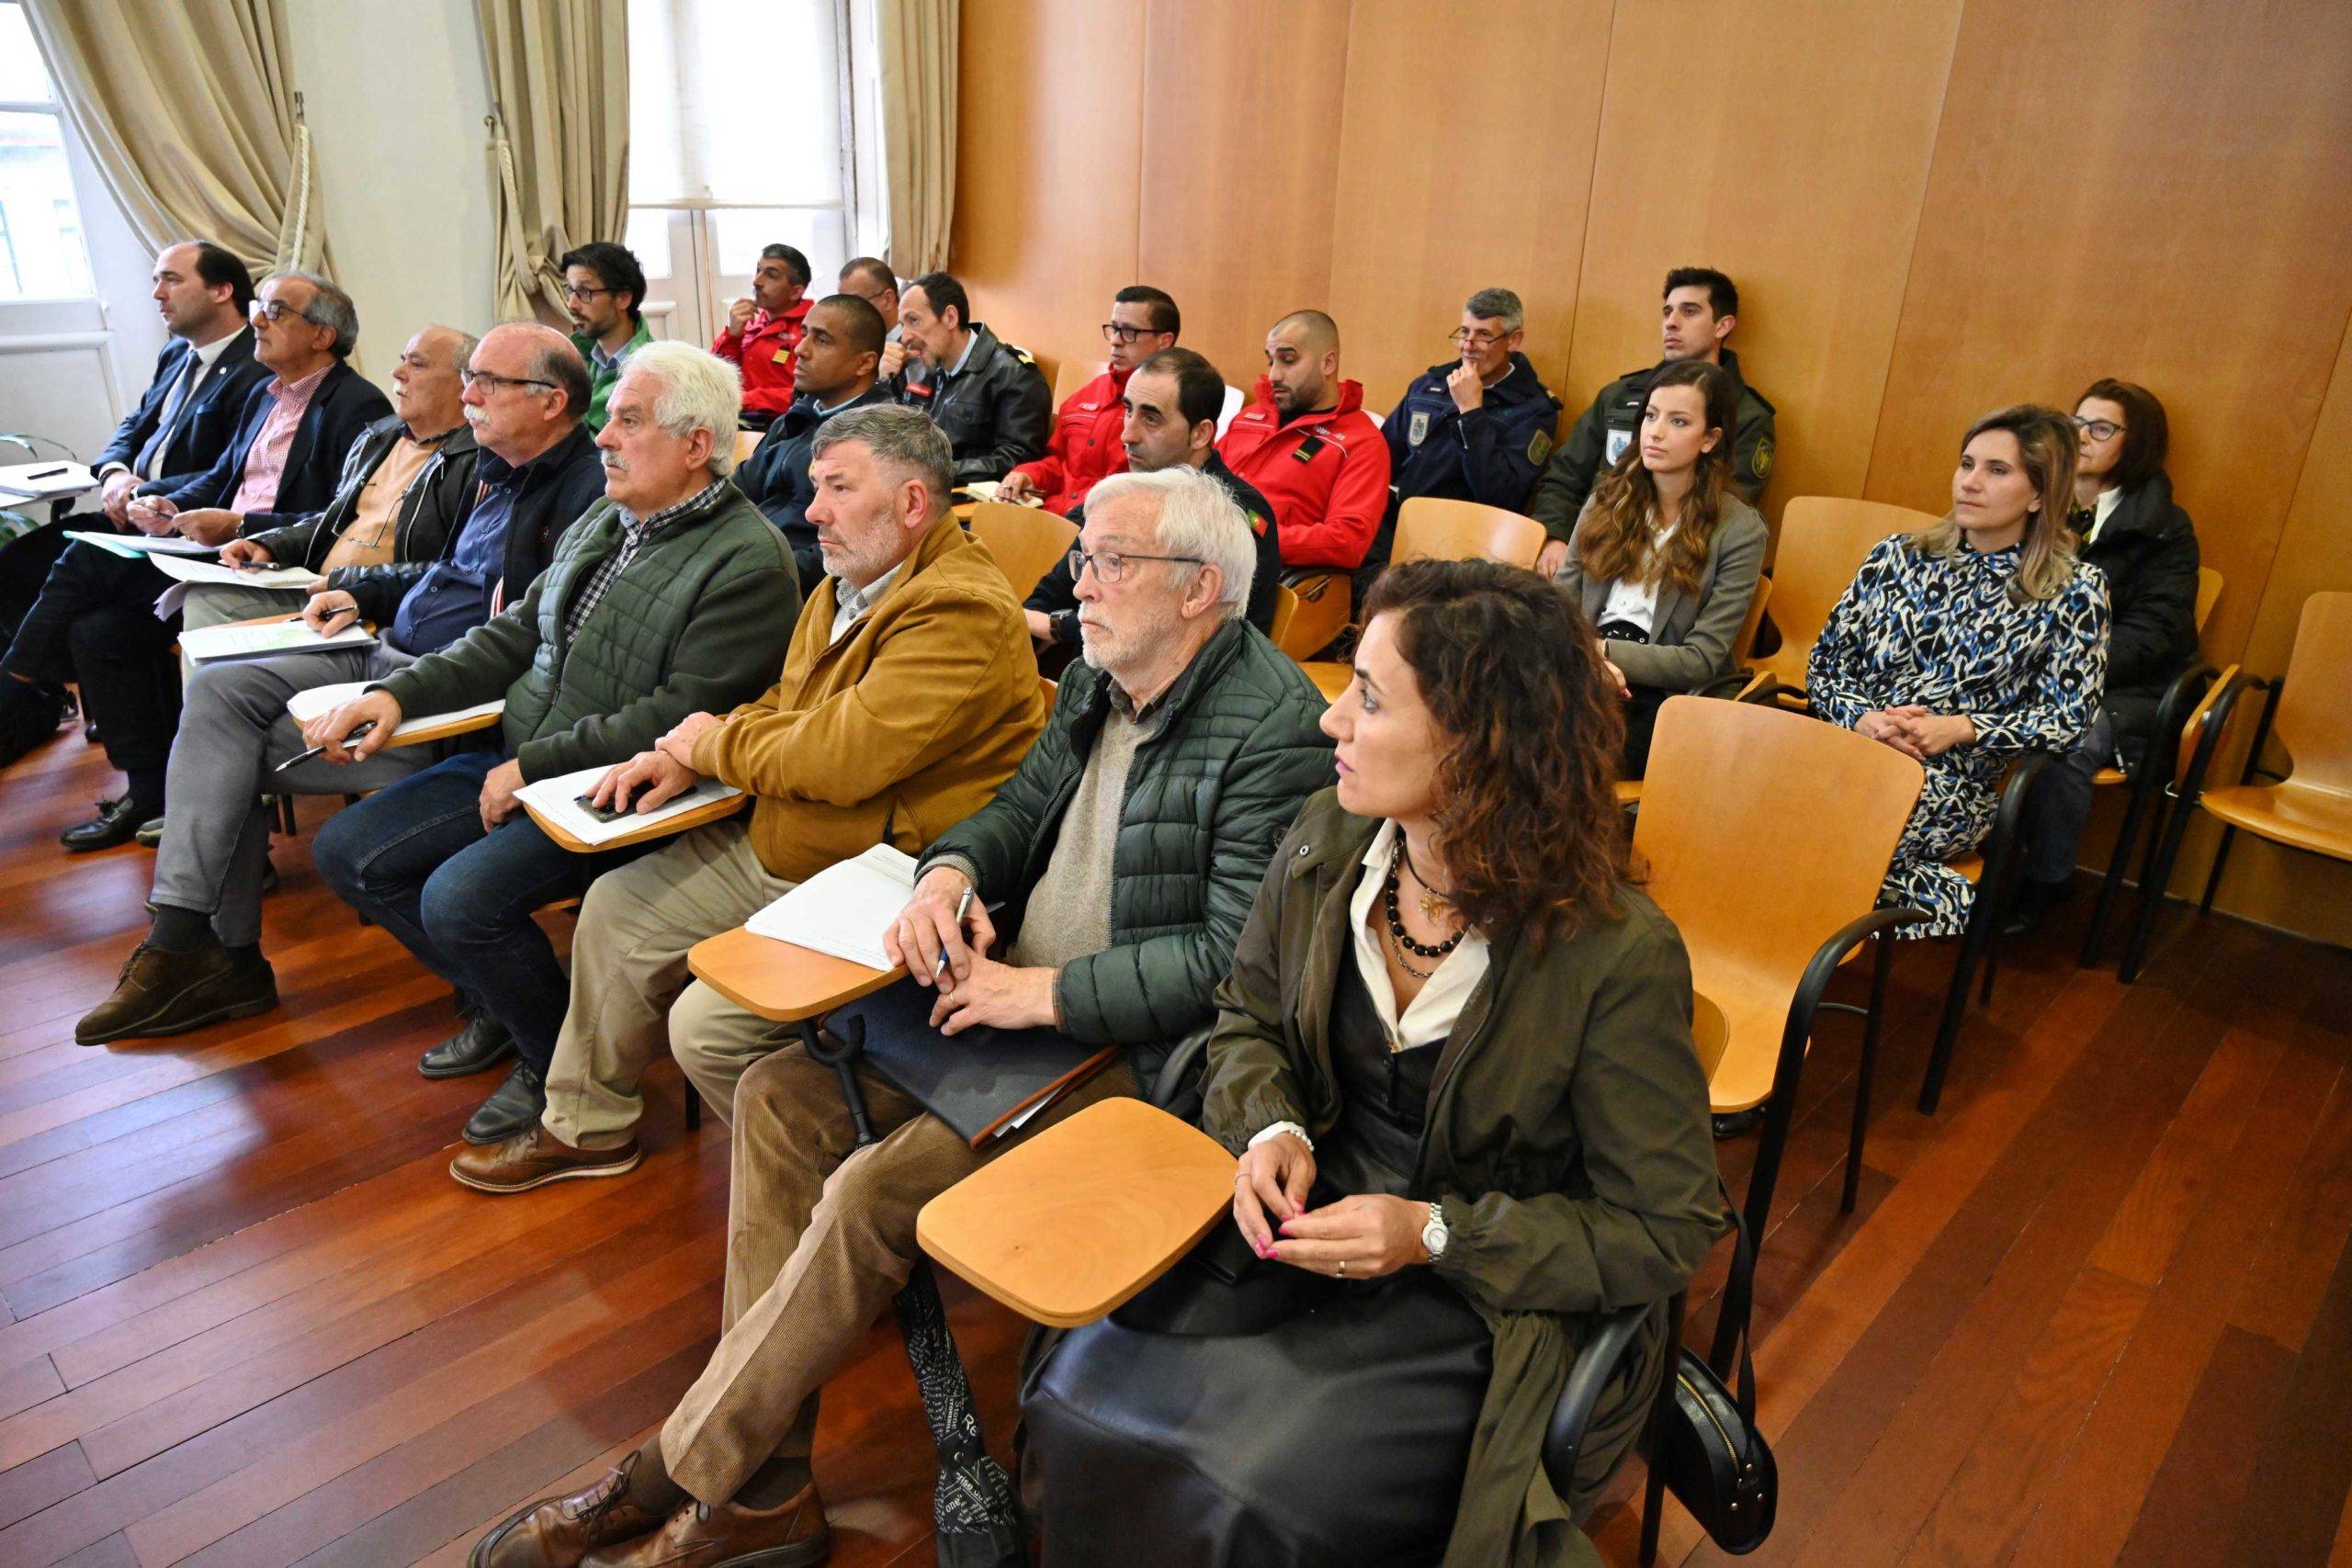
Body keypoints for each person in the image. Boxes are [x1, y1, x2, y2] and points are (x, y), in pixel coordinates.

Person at [461, 466, 1336, 1568]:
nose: (1078, 583)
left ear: (1199, 588)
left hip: (1132, 1051)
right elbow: (1013, 812)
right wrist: (948, 876)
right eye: (1082, 556)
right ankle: (764, 1484)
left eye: (1110, 561)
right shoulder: (1100, 676)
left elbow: (1227, 966)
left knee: (870, 1192)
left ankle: (677, 1475)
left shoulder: (1274, 730)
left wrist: (1041, 993)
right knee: (778, 1092)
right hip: (1011, 1005)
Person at [1018, 558, 1723, 1567]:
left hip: (1474, 1289)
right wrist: (1271, 1126)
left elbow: (1664, 1228)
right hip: (1305, 1217)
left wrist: (1432, 1233)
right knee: (1077, 1388)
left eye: (1371, 699)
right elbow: (1248, 1015)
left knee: (1246, 1487)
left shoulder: (1614, 956)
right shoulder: (1330, 835)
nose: (1330, 719)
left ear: (1480, 743)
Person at [447, 403, 1048, 1192]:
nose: (813, 510)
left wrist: (709, 748)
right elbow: (787, 705)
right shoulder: (852, 580)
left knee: (703, 1028)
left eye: (838, 488)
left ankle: (833, 1190)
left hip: (885, 867)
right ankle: (588, 1126)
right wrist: (686, 754)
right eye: (815, 486)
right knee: (616, 908)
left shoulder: (960, 609)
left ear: (911, 503)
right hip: (797, 832)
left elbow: (840, 757)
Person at [305, 344, 799, 1144]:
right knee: (349, 853)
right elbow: (514, 632)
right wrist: (398, 693)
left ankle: (548, 1060)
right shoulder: (610, 514)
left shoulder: (748, 560)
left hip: (617, 790)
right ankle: (516, 1006)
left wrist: (533, 766)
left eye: (628, 421)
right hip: (525, 760)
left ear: (696, 446)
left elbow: (679, 716)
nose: (602, 436)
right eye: (608, 418)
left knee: (459, 901)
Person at [72, 325, 607, 1047]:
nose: (469, 396)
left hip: (446, 692)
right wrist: (360, 591)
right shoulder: (494, 465)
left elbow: (530, 634)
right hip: (383, 647)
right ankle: (190, 942)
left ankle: (212, 956)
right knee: (218, 693)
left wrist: (404, 681)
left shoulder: (585, 492)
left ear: (551, 401)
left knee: (220, 760)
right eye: (469, 378)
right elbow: (444, 574)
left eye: (488, 382)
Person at [3, 271, 390, 851]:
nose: (257, 321)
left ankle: (16, 682)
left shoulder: (357, 404)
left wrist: (238, 525)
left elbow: (339, 517)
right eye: (259, 308)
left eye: (275, 311)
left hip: (277, 566)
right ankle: (148, 792)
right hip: (219, 551)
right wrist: (170, 504)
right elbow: (223, 476)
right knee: (100, 631)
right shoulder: (268, 394)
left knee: (84, 560)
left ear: (322, 335)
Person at [1808, 404, 2110, 939]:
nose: (1970, 482)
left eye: (1997, 470)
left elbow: (2069, 721)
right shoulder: (1897, 556)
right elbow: (1826, 664)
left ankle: (1774, 954)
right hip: (1845, 746)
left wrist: (1962, 728)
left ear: (2038, 495)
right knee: (1751, 798)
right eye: (1967, 464)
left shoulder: (2074, 592)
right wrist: (1865, 719)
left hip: (1947, 782)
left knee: (1808, 826)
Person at [0, 240, 266, 766]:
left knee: (86, 592)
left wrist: (145, 493)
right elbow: (133, 425)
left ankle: (17, 686)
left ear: (221, 290)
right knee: (13, 566)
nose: (157, 294)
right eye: (155, 280)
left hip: (183, 526)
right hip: (130, 515)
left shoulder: (256, 365)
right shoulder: (175, 353)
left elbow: (234, 471)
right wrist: (116, 472)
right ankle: (41, 690)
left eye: (171, 280)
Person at [2008, 379, 2201, 932]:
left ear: (2134, 443)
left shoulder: (2164, 527)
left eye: (2101, 428)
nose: (2082, 437)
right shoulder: (2033, 499)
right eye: (2076, 424)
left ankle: (2045, 881)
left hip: (2123, 686)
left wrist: (2064, 671)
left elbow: (2156, 632)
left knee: (2066, 738)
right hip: (2022, 665)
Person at [186, 324, 481, 633]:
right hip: (316, 587)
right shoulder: (378, 437)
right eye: (402, 360)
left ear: (464, 385)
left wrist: (351, 582)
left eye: (416, 364)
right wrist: (271, 544)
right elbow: (332, 519)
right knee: (204, 597)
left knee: (211, 622)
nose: (397, 372)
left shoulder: (475, 461)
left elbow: (454, 568)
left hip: (379, 609)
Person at [1551, 360, 1766, 776]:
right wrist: (1585, 657)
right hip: (1581, 667)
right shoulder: (1605, 502)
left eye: (1678, 421)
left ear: (1710, 439)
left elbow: (1700, 660)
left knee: (1558, 755)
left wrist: (1601, 652)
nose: (1656, 432)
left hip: (1661, 696)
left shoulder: (1740, 530)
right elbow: (1558, 604)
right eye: (1651, 416)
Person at [1023, 347, 1281, 662]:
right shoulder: (1124, 495)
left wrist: (1058, 627)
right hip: (1093, 669)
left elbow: (1190, 639)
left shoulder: (1234, 514)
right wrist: (1022, 635)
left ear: (1200, 434)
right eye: (1128, 410)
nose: (1127, 434)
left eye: (1151, 419)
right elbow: (1052, 592)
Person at [1532, 267, 1776, 577]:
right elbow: (1564, 476)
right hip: (1586, 550)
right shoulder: (1619, 395)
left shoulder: (1746, 415)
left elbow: (1721, 510)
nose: (1671, 322)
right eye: (1667, 312)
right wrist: (1555, 536)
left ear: (1722, 326)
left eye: (1689, 311)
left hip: (1670, 565)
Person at [1362, 288, 1561, 588]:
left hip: (1466, 550)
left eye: (1483, 335)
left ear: (1514, 340)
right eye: (1464, 332)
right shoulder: (1428, 385)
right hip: (1398, 529)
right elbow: (1382, 457)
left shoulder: (1534, 409)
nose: (1467, 345)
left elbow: (1501, 495)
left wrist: (1471, 412)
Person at [733, 293, 894, 592]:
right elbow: (735, 492)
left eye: (822, 340)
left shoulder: (878, 438)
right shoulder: (795, 418)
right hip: (751, 560)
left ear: (864, 363)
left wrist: (746, 572)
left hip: (791, 589)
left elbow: (844, 555)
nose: (800, 349)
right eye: (804, 333)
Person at [1217, 310, 1391, 572]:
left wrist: (1250, 531)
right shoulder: (1249, 418)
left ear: (1328, 363)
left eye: (1288, 360)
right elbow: (1205, 481)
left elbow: (1347, 542)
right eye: (1271, 361)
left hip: (1269, 573)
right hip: (1206, 553)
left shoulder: (1362, 443)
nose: (1274, 375)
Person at [995, 286, 1180, 514]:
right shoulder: (1085, 396)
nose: (1115, 341)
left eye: (1129, 332)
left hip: (1109, 524)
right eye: (1114, 329)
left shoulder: (1173, 411)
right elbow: (1060, 463)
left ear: (1164, 341)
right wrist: (1028, 475)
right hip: (1052, 518)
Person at [892, 271, 1052, 484]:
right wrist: (884, 381)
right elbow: (887, 435)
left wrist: (935, 473)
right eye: (902, 325)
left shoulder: (1014, 376)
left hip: (963, 495)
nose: (905, 338)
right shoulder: (915, 366)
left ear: (950, 317)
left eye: (914, 321)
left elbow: (1017, 459)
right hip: (914, 484)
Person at [712, 243, 813, 422]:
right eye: (758, 270)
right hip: (739, 418)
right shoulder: (751, 321)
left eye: (771, 275)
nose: (757, 281)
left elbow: (811, 393)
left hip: (784, 424)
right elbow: (716, 375)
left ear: (795, 292)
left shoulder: (812, 328)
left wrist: (747, 400)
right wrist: (732, 336)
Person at [562, 242, 652, 432]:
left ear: (623, 298)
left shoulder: (652, 372)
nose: (571, 305)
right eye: (570, 291)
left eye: (584, 292)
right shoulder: (571, 358)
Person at [837, 255, 902, 370]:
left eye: (855, 303)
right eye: (843, 304)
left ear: (888, 300)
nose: (847, 314)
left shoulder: (915, 348)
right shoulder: (856, 346)